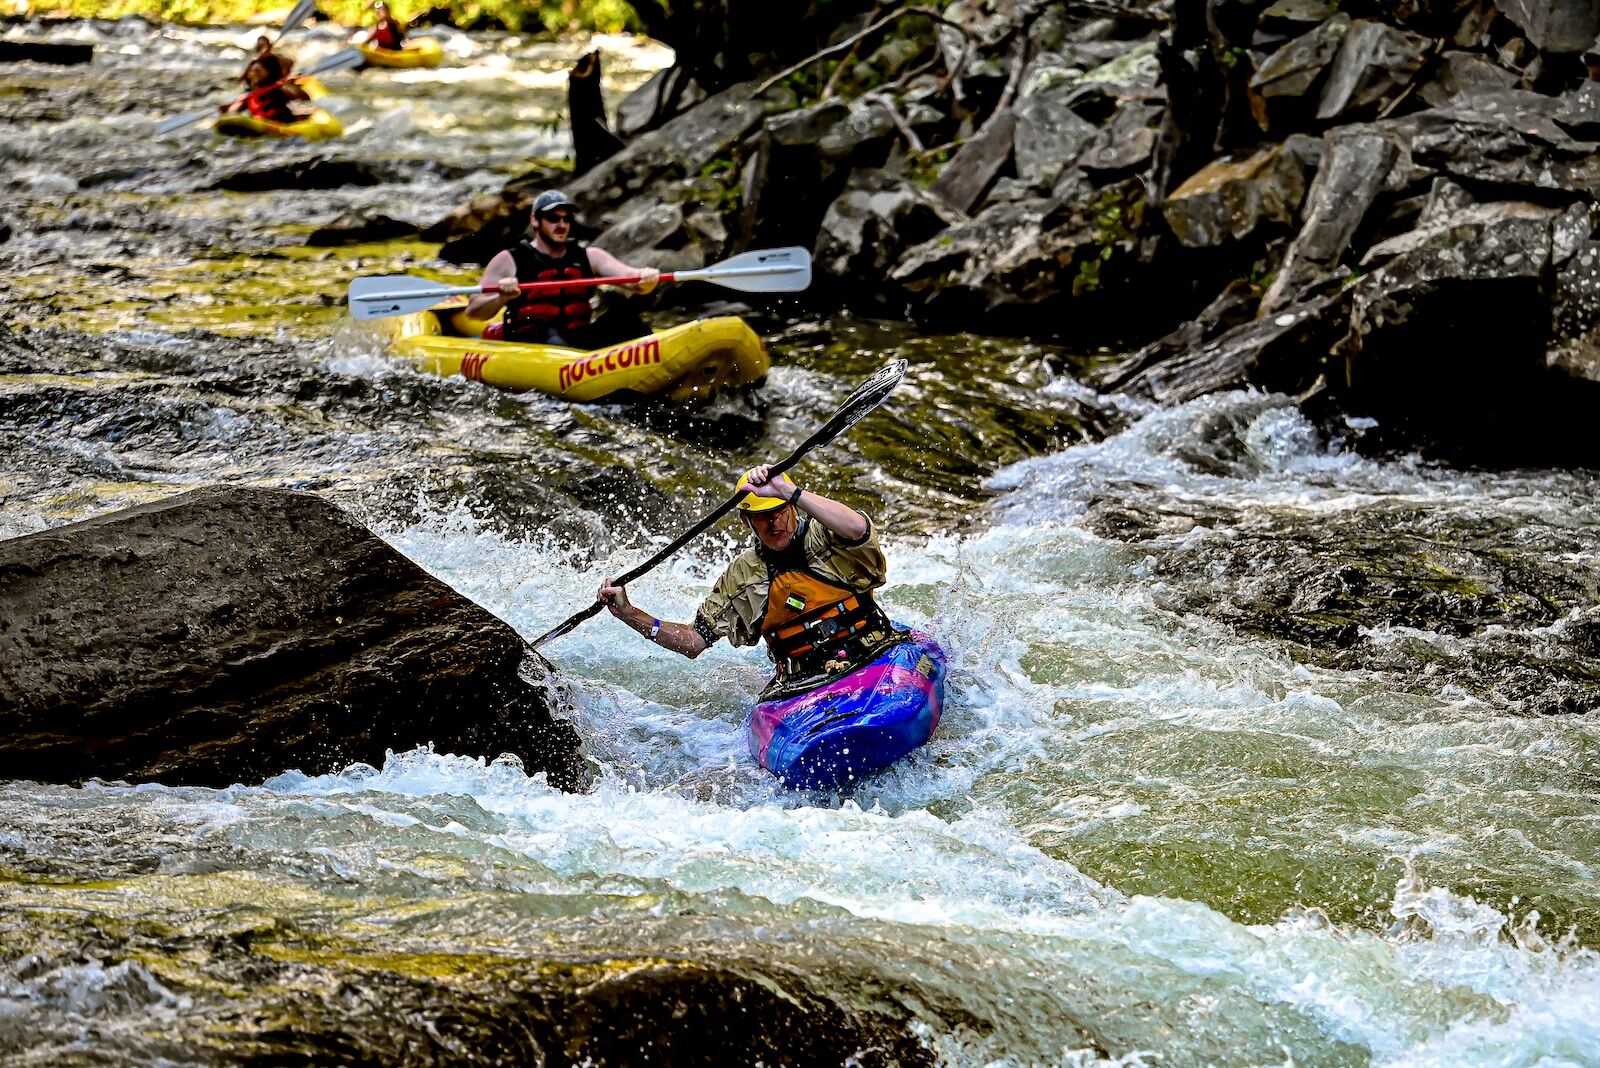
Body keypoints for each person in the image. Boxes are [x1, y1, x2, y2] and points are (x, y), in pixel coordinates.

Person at [596, 465, 904, 691]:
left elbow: (858, 530)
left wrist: (790, 492)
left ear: (792, 508)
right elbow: (693, 642)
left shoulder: (825, 533)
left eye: (780, 511)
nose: (774, 523)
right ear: (746, 521)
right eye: (762, 516)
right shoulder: (742, 575)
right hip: (804, 684)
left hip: (874, 653)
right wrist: (629, 614)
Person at [467, 189, 662, 348]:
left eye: (566, 218)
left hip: (577, 337)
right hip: (534, 342)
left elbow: (633, 281)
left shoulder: (590, 256)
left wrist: (645, 277)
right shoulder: (508, 259)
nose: (561, 225)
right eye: (553, 218)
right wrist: (502, 297)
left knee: (625, 319)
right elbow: (474, 311)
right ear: (535, 220)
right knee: (550, 336)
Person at [223, 42, 308, 124]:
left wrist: (287, 84)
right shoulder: (248, 96)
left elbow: (303, 97)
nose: (253, 74)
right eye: (251, 71)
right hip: (260, 123)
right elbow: (232, 113)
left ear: (271, 73)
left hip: (282, 123)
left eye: (258, 71)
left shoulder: (280, 89)